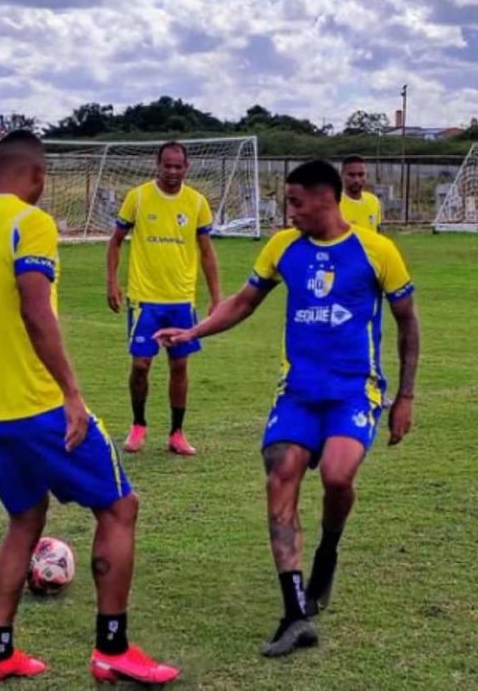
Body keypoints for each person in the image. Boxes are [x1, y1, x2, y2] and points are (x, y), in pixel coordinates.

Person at [0, 130, 179, 686]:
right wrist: (73, 395)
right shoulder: (30, 222)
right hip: (37, 406)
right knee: (120, 508)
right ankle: (112, 648)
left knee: (25, 519)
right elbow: (38, 312)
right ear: (37, 176)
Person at [155, 159, 419, 658]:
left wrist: (404, 396)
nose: (288, 210)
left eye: (296, 201)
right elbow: (242, 302)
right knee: (281, 471)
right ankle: (295, 614)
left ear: (327, 198)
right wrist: (194, 331)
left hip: (352, 392)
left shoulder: (377, 251)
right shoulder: (282, 247)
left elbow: (408, 323)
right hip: (297, 393)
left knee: (339, 478)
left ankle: (328, 552)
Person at [105, 141, 222, 456]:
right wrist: (112, 283)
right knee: (141, 364)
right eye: (167, 165)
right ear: (157, 165)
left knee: (179, 365)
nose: (172, 171)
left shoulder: (196, 202)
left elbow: (207, 252)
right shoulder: (138, 197)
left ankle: (176, 433)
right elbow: (115, 242)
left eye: (178, 166)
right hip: (144, 298)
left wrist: (216, 297)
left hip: (181, 299)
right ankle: (139, 424)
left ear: (187, 167)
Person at [339, 155, 383, 232]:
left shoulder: (374, 201)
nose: (357, 180)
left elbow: (377, 232)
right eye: (351, 175)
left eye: (361, 174)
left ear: (366, 175)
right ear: (342, 175)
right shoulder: (333, 204)